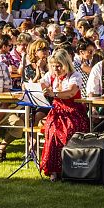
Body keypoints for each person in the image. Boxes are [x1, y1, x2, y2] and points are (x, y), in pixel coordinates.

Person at [40, 48, 88, 181]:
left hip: (74, 111)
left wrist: (54, 94)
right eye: (54, 66)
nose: (56, 69)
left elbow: (71, 93)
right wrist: (45, 88)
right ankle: (54, 169)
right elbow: (42, 82)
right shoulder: (52, 75)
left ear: (66, 63)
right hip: (57, 111)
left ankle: (70, 168)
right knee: (52, 130)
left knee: (69, 130)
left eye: (59, 66)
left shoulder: (74, 75)